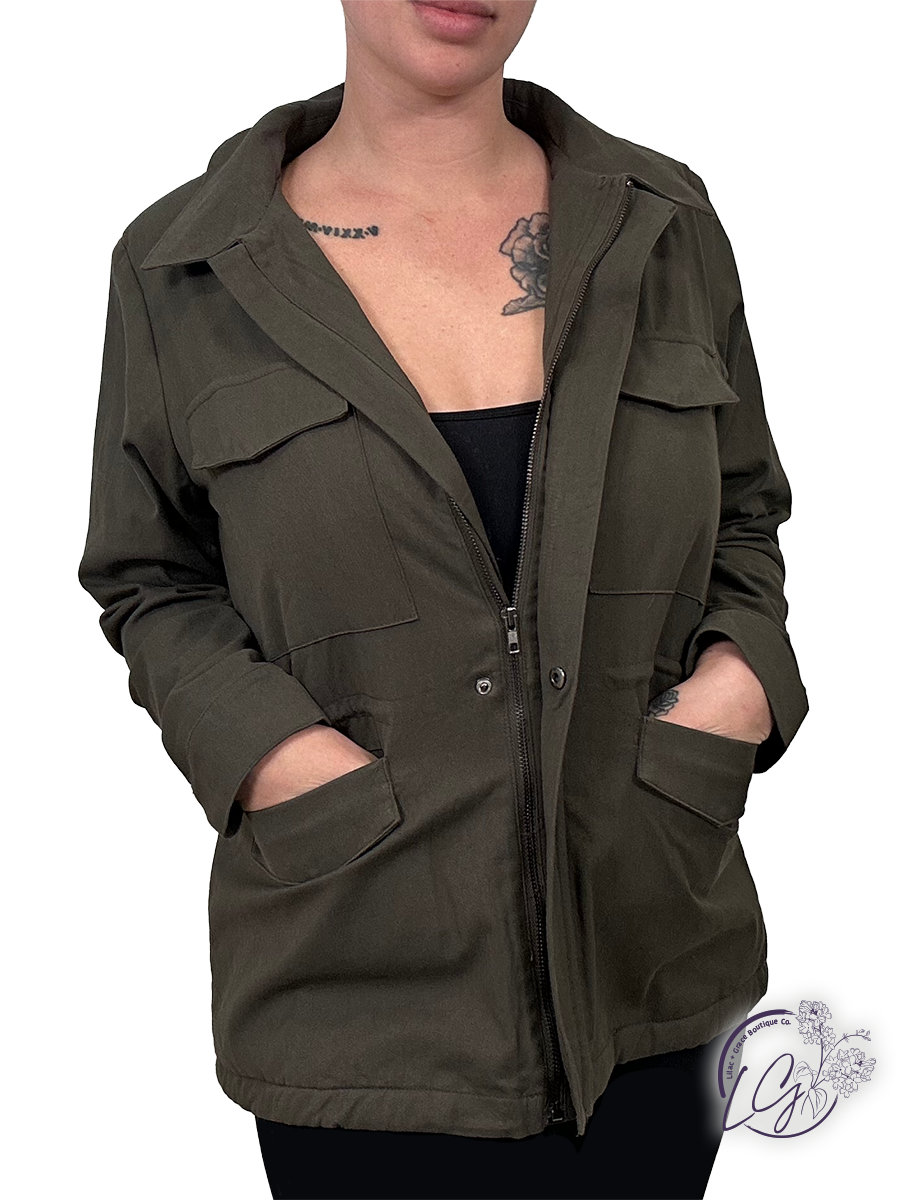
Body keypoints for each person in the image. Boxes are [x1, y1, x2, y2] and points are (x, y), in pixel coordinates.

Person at [78, 1, 808, 1197]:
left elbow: (743, 514)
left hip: (655, 968)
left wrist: (734, 692)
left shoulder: (664, 221)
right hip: (352, 995)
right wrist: (278, 760)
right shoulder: (182, 265)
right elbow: (150, 577)